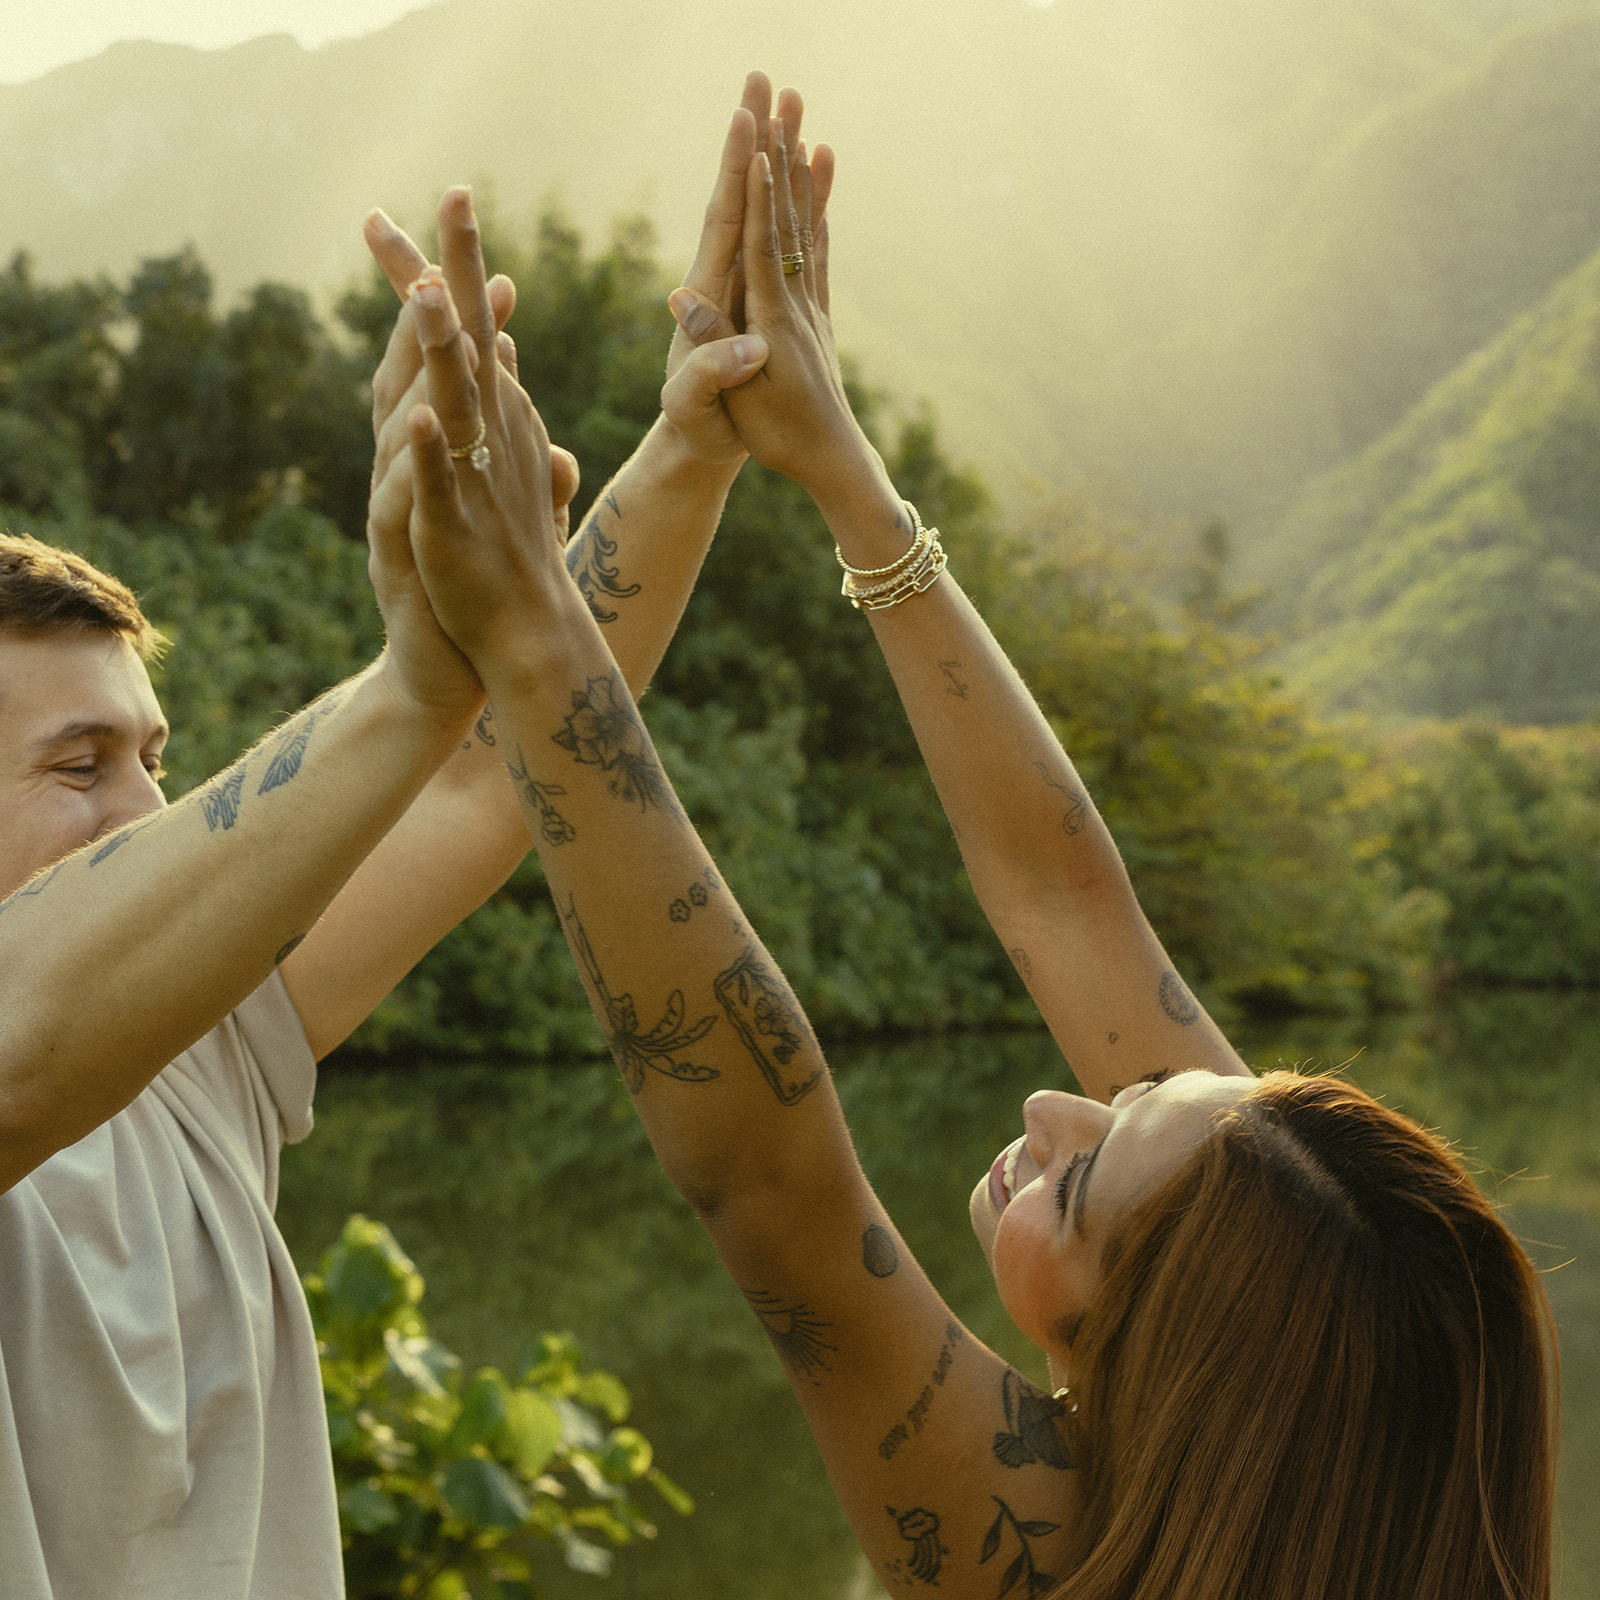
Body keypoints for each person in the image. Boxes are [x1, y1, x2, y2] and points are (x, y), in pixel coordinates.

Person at [384, 76, 1557, 1600]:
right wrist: (838, 465)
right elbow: (1069, 903)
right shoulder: (1322, 1379)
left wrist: (536, 639)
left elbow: (779, 1186)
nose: (1050, 1104)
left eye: (1079, 1179)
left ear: (1162, 1344)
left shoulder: (1056, 1552)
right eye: (1141, 1099)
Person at [0, 73, 799, 1599]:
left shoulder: (196, 1049)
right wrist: (416, 671)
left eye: (157, 754)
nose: (151, 808)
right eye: (78, 761)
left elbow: (481, 781)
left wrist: (695, 443)